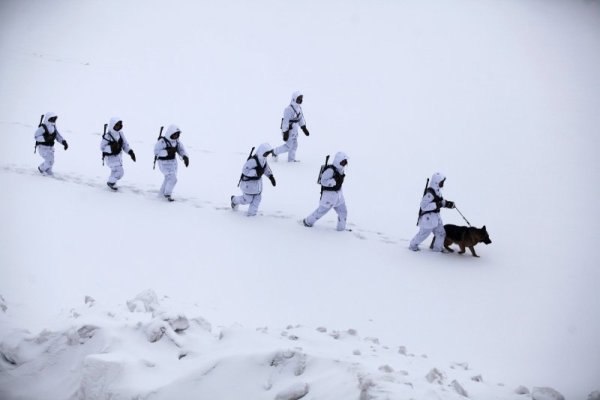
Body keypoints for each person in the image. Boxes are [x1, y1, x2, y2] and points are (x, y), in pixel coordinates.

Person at [409, 172, 455, 252]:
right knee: (423, 235)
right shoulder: (429, 194)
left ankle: (437, 249)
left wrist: (447, 204)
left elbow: (439, 202)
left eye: (443, 182)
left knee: (441, 233)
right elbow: (423, 206)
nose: (442, 184)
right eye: (441, 182)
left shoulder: (437, 191)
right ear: (436, 182)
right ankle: (413, 246)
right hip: (428, 218)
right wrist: (437, 204)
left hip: (436, 217)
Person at [303, 152, 348, 231]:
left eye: (345, 162)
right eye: (342, 162)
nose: (344, 164)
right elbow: (323, 181)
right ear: (338, 161)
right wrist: (333, 181)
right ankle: (307, 222)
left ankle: (341, 230)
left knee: (343, 212)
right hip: (329, 197)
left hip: (339, 196)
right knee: (320, 212)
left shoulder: (340, 170)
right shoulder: (330, 170)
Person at [231, 143, 276, 216]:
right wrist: (256, 172)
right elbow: (245, 170)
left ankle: (251, 215)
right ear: (261, 151)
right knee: (247, 200)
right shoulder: (253, 161)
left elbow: (265, 168)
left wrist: (270, 176)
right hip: (249, 185)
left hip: (258, 186)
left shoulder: (263, 160)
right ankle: (234, 200)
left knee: (257, 200)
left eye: (268, 153)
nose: (267, 155)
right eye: (266, 153)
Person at [154, 124, 190, 202]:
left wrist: (185, 157)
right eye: (174, 134)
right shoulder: (162, 142)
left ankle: (161, 194)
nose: (176, 136)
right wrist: (166, 152)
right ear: (170, 133)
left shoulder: (177, 142)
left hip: (173, 163)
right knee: (173, 179)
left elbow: (181, 150)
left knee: (168, 179)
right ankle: (167, 194)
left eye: (177, 134)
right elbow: (156, 152)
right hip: (163, 163)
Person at [272, 91, 310, 162]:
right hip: (289, 130)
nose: (300, 100)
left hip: (295, 130)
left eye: (301, 99)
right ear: (294, 99)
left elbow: (300, 118)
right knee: (288, 146)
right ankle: (275, 152)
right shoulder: (288, 109)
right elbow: (285, 122)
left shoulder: (299, 108)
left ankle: (291, 160)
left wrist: (303, 127)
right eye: (298, 99)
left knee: (294, 145)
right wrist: (285, 132)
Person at [100, 117, 136, 191]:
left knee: (114, 171)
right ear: (112, 125)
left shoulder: (120, 134)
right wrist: (111, 148)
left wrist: (130, 152)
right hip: (110, 158)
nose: (118, 126)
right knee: (120, 172)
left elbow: (125, 145)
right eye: (116, 125)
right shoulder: (108, 135)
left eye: (119, 125)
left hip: (118, 157)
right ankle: (111, 182)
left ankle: (111, 184)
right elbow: (102, 147)